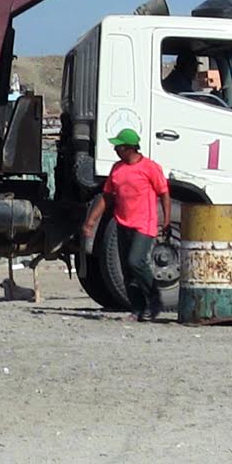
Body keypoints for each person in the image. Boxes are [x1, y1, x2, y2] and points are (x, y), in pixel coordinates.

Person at [82, 128, 171, 321]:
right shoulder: (117, 169)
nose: (115, 150)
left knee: (135, 261)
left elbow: (164, 193)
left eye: (119, 146)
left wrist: (166, 218)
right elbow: (106, 197)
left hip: (144, 224)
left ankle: (154, 300)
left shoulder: (150, 168)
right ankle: (138, 308)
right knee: (127, 270)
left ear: (129, 148)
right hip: (123, 222)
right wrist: (91, 221)